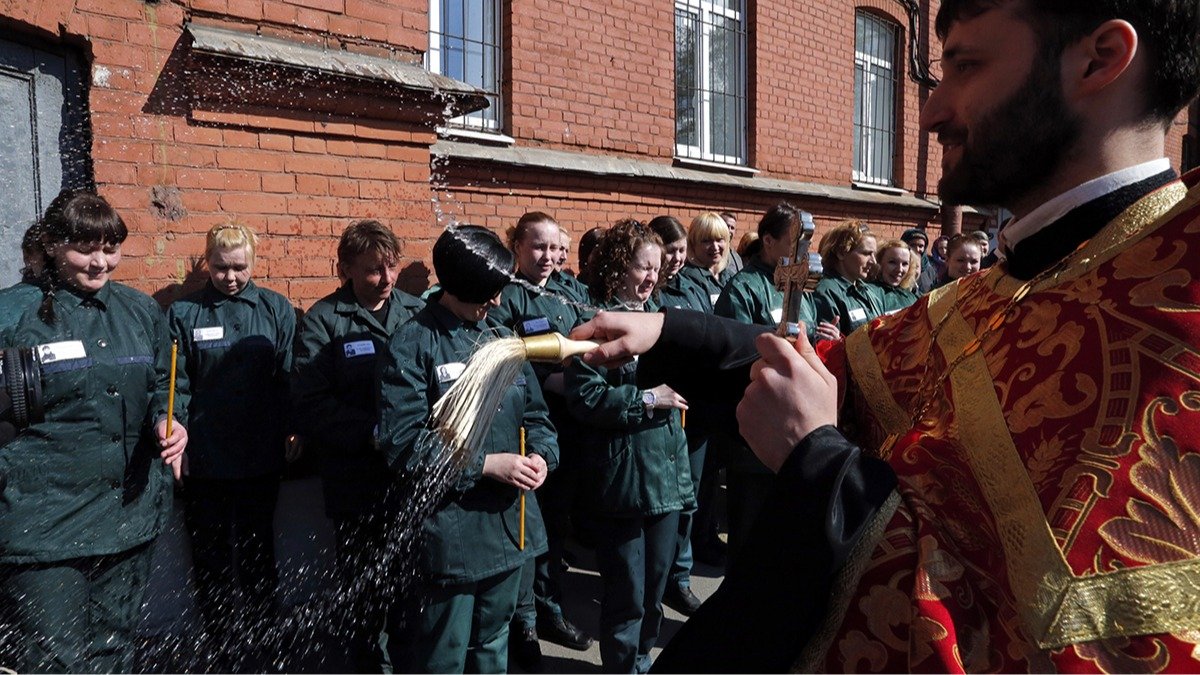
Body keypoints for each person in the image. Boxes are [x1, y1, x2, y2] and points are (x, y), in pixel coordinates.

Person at [570, 0, 1200, 670]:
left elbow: (1049, 638)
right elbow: (839, 372)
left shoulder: (1178, 311)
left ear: (1100, 60)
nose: (931, 112)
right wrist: (669, 330)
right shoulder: (1000, 286)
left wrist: (817, 463)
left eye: (967, 66)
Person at [0, 190, 187, 672]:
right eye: (85, 249)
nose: (101, 262)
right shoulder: (13, 314)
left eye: (111, 248)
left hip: (128, 517)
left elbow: (165, 381)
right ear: (52, 246)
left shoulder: (140, 310)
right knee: (53, 660)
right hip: (43, 528)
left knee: (113, 649)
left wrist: (168, 418)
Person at [378, 225, 558, 673]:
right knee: (444, 654)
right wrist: (485, 465)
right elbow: (402, 444)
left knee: (493, 646)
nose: (496, 303)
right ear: (458, 285)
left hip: (511, 527)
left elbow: (537, 416)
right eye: (488, 292)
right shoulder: (413, 344)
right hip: (450, 537)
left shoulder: (501, 339)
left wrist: (542, 455)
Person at [291, 219, 425, 672]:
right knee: (364, 581)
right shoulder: (325, 320)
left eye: (392, 267)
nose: (386, 278)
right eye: (373, 270)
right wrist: (370, 432)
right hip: (356, 478)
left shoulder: (415, 312)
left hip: (410, 473)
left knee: (411, 580)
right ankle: (367, 659)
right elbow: (310, 400)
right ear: (345, 269)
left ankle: (406, 657)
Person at [564, 219, 693, 673]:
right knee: (626, 594)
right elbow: (584, 397)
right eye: (644, 267)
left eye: (657, 268)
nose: (653, 276)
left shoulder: (665, 320)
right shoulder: (594, 324)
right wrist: (646, 399)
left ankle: (642, 661)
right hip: (622, 480)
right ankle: (623, 667)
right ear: (619, 267)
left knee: (655, 590)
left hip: (667, 476)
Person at [167, 223, 296, 661]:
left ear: (252, 262)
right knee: (212, 559)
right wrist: (176, 439)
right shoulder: (184, 314)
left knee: (259, 553)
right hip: (206, 459)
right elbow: (175, 385)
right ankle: (222, 645)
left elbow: (290, 376)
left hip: (261, 455)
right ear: (208, 263)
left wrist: (294, 427)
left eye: (240, 267)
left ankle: (264, 640)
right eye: (221, 267)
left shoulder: (276, 309)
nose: (230, 277)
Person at [490, 212, 594, 669]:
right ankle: (528, 619)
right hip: (529, 429)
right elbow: (506, 359)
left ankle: (546, 607)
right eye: (538, 247)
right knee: (531, 528)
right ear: (516, 247)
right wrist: (555, 382)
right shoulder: (506, 297)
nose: (548, 256)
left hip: (572, 425)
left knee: (558, 524)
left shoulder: (569, 291)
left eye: (554, 248)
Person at [711, 203, 838, 566]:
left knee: (785, 543)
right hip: (755, 435)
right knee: (750, 540)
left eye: (807, 243)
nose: (805, 252)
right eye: (796, 242)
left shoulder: (801, 287)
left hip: (798, 433)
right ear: (768, 241)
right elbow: (733, 352)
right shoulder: (744, 288)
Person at [648, 216, 712, 616]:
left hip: (695, 408)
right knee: (662, 505)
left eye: (681, 250)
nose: (676, 258)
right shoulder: (646, 290)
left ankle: (679, 578)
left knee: (689, 498)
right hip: (658, 410)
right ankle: (654, 581)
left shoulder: (694, 285)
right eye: (669, 251)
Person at [813, 220, 884, 336]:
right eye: (866, 253)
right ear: (841, 253)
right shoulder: (826, 292)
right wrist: (838, 343)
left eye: (874, 254)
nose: (873, 261)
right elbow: (824, 343)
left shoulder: (868, 291)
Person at [678, 212, 734, 310]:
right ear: (693, 244)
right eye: (706, 241)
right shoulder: (687, 279)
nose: (715, 247)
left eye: (719, 240)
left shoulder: (729, 276)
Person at [869, 239, 919, 313]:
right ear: (879, 262)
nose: (899, 269)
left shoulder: (912, 298)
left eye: (905, 264)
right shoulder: (868, 293)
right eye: (892, 262)